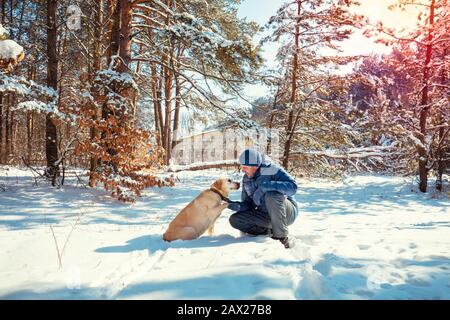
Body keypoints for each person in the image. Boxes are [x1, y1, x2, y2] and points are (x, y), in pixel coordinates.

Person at [228, 149, 299, 248]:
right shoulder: (246, 179)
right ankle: (269, 231)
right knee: (235, 219)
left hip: (287, 212)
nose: (243, 170)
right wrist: (239, 206)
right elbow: (248, 203)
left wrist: (265, 187)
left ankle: (282, 237)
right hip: (265, 214)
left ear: (255, 166)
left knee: (271, 195)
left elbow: (293, 187)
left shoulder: (272, 169)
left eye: (245, 167)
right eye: (242, 167)